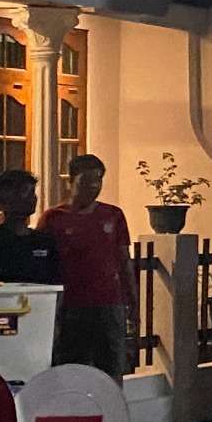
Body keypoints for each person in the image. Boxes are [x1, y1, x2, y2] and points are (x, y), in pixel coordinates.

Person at [43, 153, 135, 378]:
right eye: (86, 180)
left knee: (111, 370)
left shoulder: (113, 215)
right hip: (71, 306)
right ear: (70, 181)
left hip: (109, 304)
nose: (93, 186)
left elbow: (124, 260)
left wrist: (132, 300)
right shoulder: (53, 219)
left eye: (98, 180)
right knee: (73, 369)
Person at [0, 168, 60, 284]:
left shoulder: (44, 242)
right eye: (25, 192)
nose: (32, 198)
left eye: (32, 192)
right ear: (5, 200)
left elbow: (54, 281)